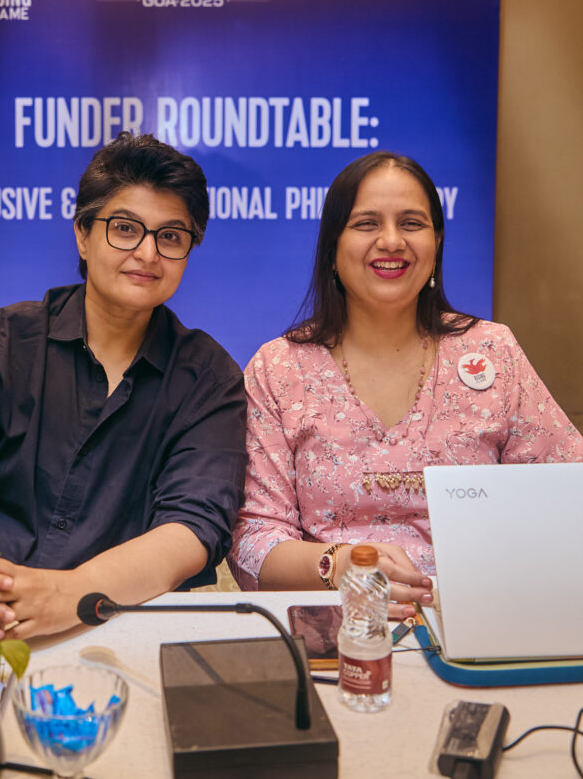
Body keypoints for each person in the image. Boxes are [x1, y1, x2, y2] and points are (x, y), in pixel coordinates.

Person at [0, 133, 247, 640]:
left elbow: (193, 527)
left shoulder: (209, 376)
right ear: (82, 235)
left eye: (171, 237)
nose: (146, 252)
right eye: (124, 228)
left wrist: (70, 594)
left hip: (116, 629)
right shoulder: (1, 345)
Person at [229, 151, 583, 618]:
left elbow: (566, 491)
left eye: (412, 223)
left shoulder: (492, 352)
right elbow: (255, 539)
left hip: (482, 621)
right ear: (332, 247)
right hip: (338, 629)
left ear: (436, 242)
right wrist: (338, 566)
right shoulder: (279, 368)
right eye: (367, 223)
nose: (391, 241)